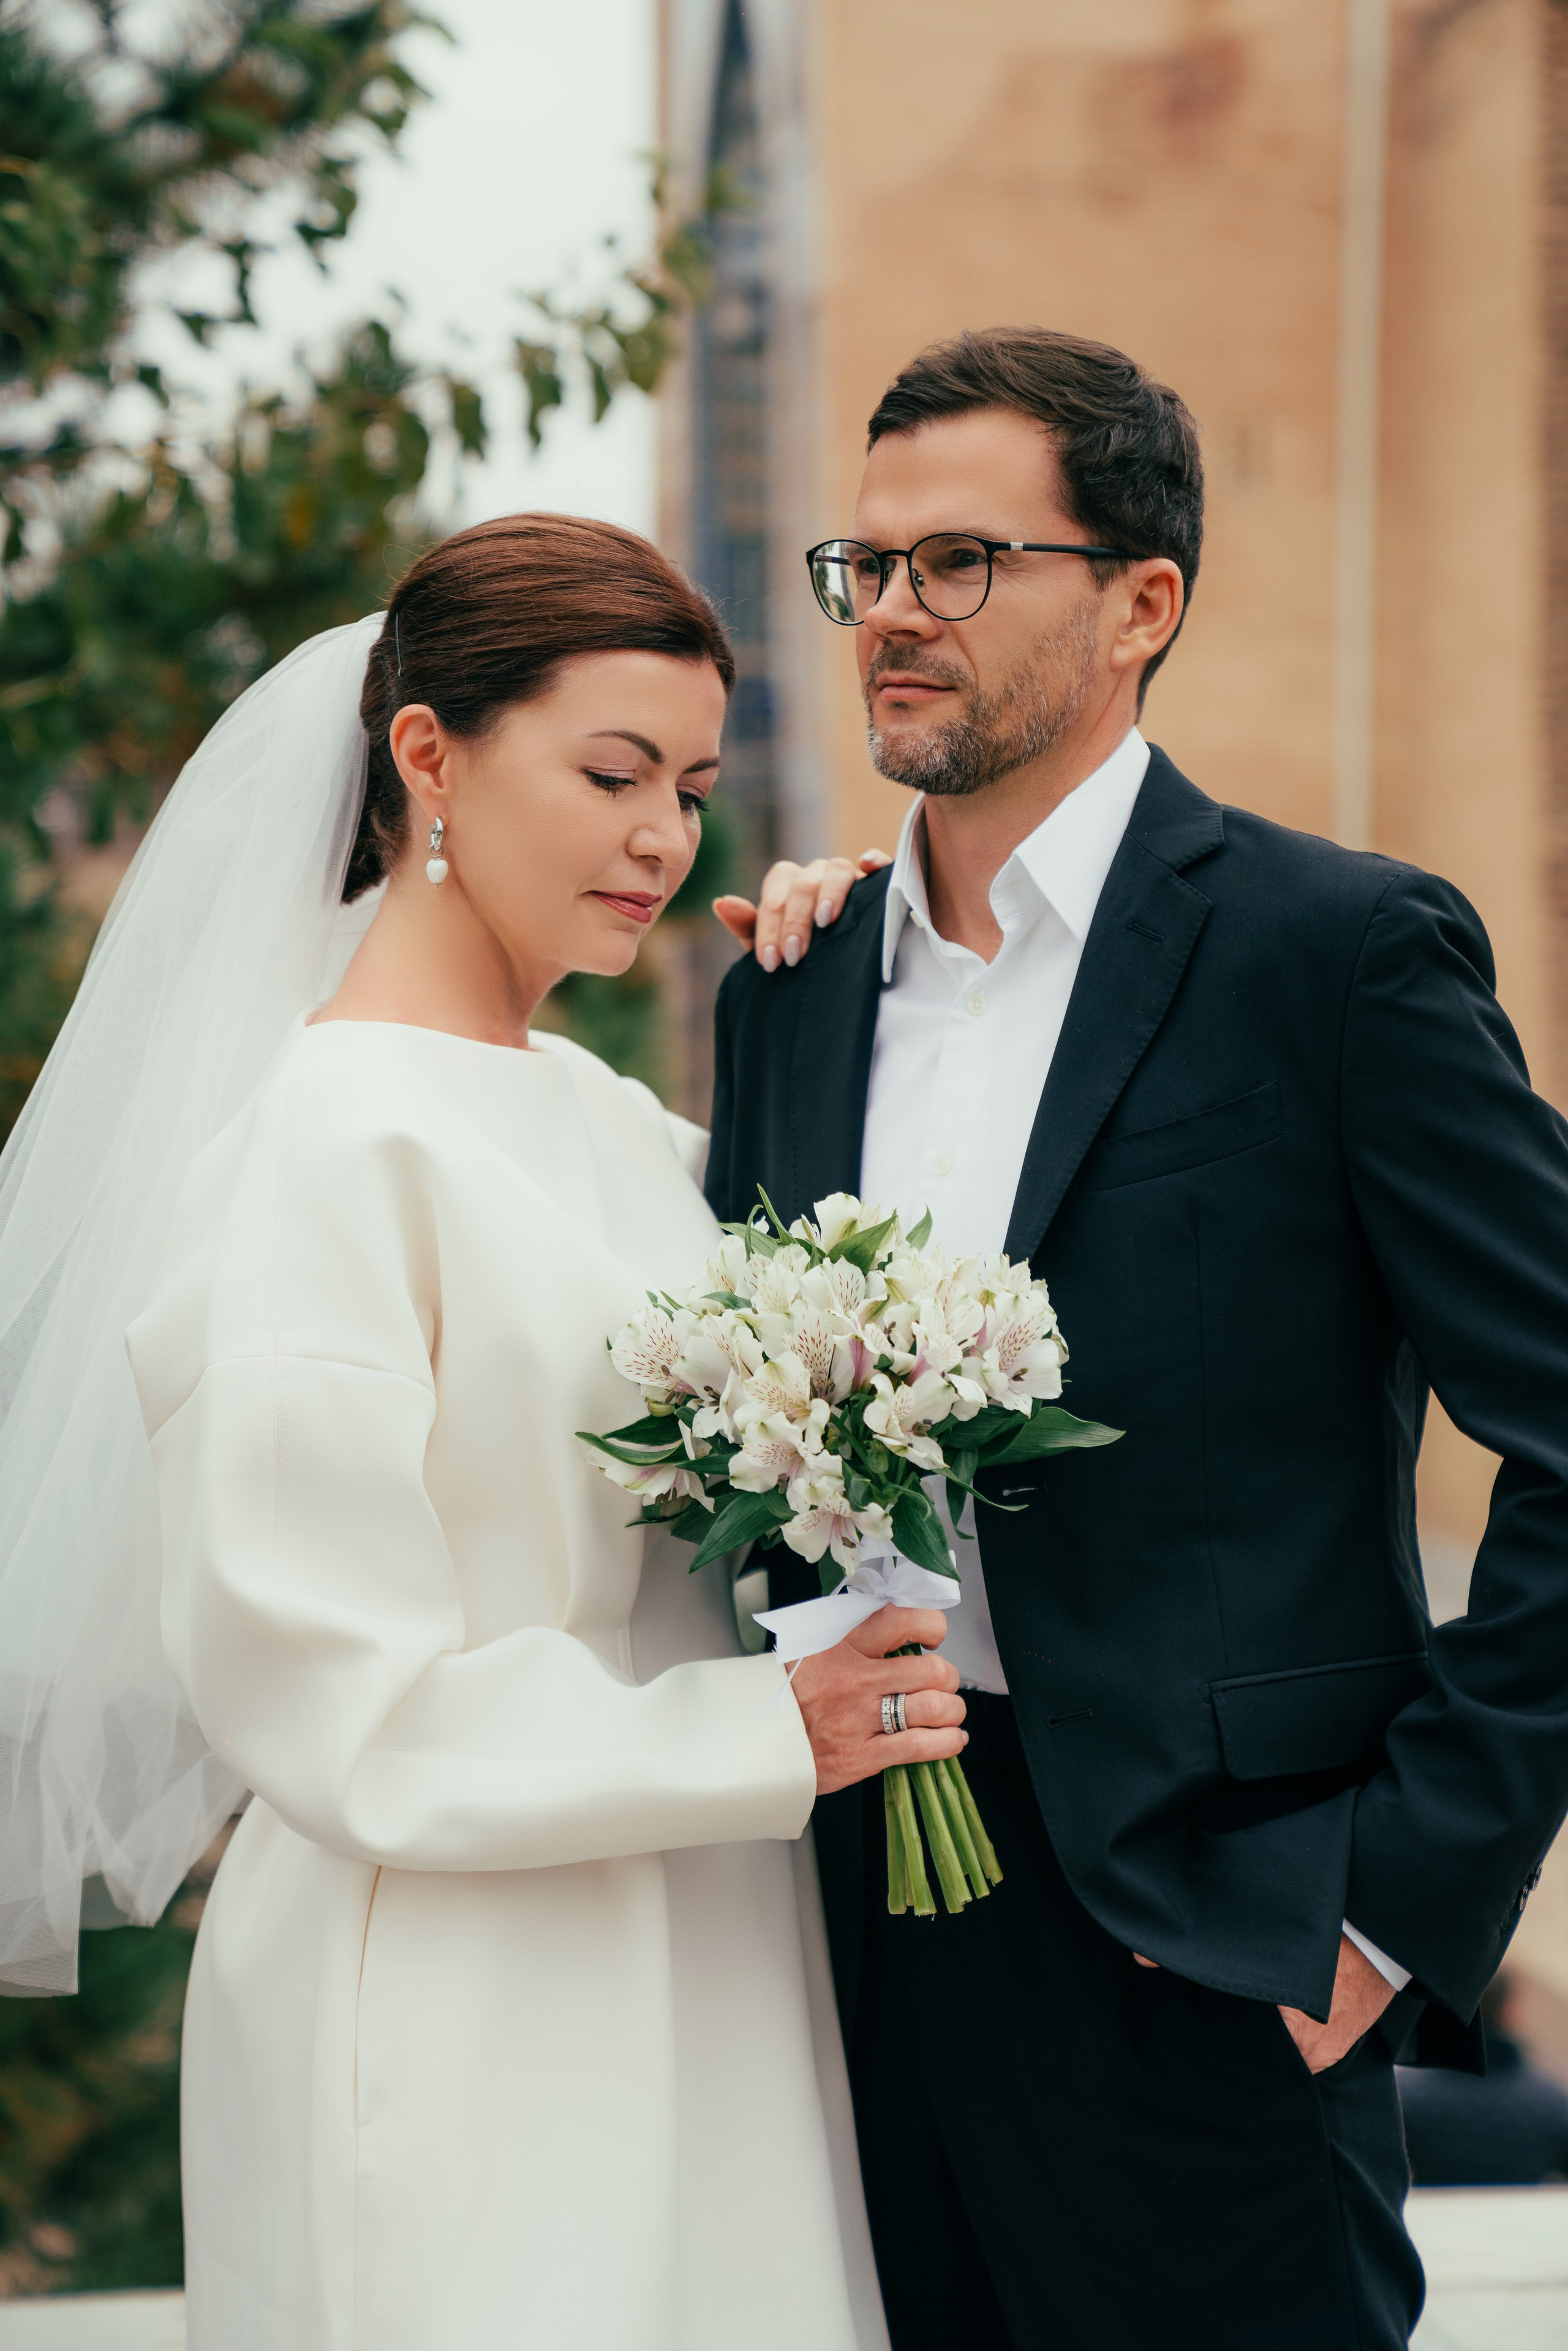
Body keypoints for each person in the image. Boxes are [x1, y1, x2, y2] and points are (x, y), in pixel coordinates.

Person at [0, 513, 971, 2350]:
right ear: (427, 754)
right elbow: (334, 1701)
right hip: (455, 2005)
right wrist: (766, 1721)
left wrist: (847, 1013)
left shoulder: (608, 1126)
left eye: (689, 785)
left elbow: (826, 1368)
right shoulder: (323, 1148)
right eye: (610, 773)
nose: (662, 839)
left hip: (709, 1953)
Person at [706, 327, 1568, 2350]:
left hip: (1216, 1938)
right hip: (842, 1945)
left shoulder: (1335, 951)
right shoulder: (792, 989)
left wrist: (1381, 1904)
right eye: (870, 566)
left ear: (1142, 602)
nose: (896, 612)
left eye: (964, 563)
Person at [1398, 1972, 1568, 2184]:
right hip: (1516, 2217)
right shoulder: (1553, 2102)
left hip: (1427, 2216)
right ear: (1510, 2011)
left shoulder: (1403, 2095)